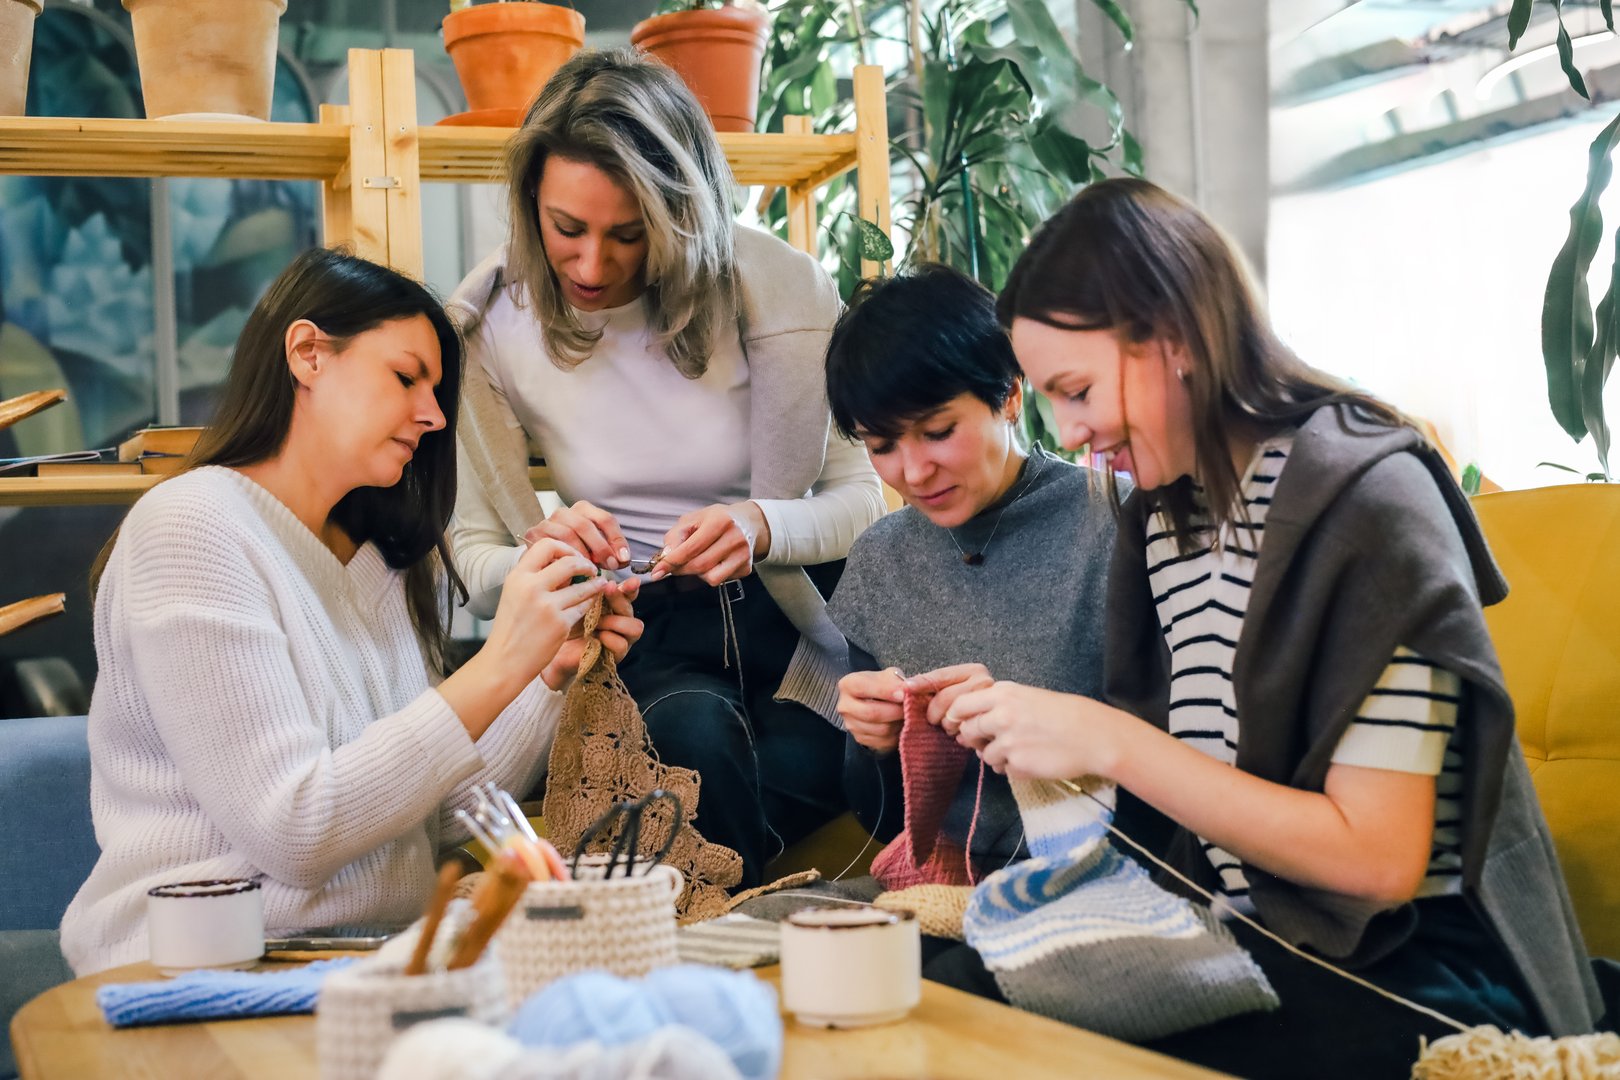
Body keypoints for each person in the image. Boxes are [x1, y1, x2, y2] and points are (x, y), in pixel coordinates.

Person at [923, 178, 1603, 1078]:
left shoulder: (1370, 505)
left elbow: (1378, 861)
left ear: (1172, 338)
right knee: (947, 988)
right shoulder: (1166, 520)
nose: (1074, 432)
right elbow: (1201, 786)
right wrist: (1042, 732)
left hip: (1409, 964)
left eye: (1078, 389)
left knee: (1002, 1040)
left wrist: (1112, 742)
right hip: (1254, 929)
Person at [60, 248, 641, 975]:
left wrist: (546, 677)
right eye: (405, 378)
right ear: (307, 354)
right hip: (197, 972)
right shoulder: (190, 528)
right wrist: (503, 660)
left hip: (364, 961)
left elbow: (426, 812)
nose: (432, 417)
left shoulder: (377, 560)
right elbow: (298, 829)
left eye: (436, 390)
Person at [447, 48, 885, 887]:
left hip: (794, 615)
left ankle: (718, 927)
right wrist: (553, 569)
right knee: (696, 748)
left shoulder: (782, 292)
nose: (589, 266)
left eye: (629, 233)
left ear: (682, 214)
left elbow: (863, 497)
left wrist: (763, 525)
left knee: (838, 768)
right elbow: (471, 550)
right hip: (644, 624)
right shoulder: (493, 327)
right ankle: (753, 940)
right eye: (565, 228)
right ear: (529, 203)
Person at [821, 265, 1117, 981]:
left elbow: (1184, 768)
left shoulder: (1117, 524)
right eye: (882, 443)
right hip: (937, 894)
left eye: (937, 431)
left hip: (1097, 889)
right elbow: (881, 820)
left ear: (1010, 395)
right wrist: (872, 744)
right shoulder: (882, 560)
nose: (913, 470)